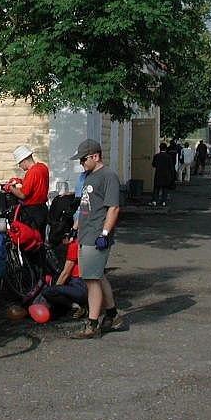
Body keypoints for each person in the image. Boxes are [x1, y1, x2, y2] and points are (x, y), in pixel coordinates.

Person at [69, 138, 123, 339]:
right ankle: (112, 316)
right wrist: (75, 228)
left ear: (95, 156)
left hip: (96, 235)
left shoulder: (108, 176)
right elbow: (85, 206)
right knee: (98, 276)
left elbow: (113, 208)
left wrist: (105, 234)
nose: (81, 163)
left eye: (83, 159)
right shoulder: (89, 176)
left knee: (91, 280)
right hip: (86, 233)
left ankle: (92, 324)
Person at [41, 231, 87, 318]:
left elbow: (65, 273)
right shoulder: (87, 243)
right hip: (89, 285)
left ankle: (75, 306)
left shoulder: (74, 245)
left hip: (79, 286)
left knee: (48, 292)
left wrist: (54, 290)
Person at [8, 144, 50, 232]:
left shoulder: (32, 172)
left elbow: (23, 195)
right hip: (42, 209)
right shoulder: (43, 167)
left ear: (24, 160)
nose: (19, 166)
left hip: (32, 212)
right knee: (40, 238)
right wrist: (20, 181)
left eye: (19, 163)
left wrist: (10, 187)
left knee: (30, 239)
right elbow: (35, 184)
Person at [151, 142, 175, 207]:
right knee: (165, 189)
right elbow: (171, 167)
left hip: (158, 174)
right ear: (166, 148)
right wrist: (172, 176)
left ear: (160, 148)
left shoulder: (156, 156)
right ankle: (163, 201)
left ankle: (154, 201)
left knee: (156, 188)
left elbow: (153, 164)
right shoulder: (168, 157)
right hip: (166, 175)